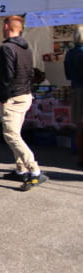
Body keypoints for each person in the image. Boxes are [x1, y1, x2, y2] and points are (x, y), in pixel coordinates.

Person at [0, 15, 48, 190]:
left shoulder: (7, 47)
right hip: (25, 94)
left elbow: (7, 75)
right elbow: (29, 72)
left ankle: (34, 170)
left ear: (7, 27)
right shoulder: (26, 48)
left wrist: (4, 97)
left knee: (11, 135)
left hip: (13, 96)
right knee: (16, 134)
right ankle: (20, 169)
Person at [65, 25, 83, 167]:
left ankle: (81, 157)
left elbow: (68, 75)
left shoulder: (70, 53)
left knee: (79, 126)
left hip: (76, 89)